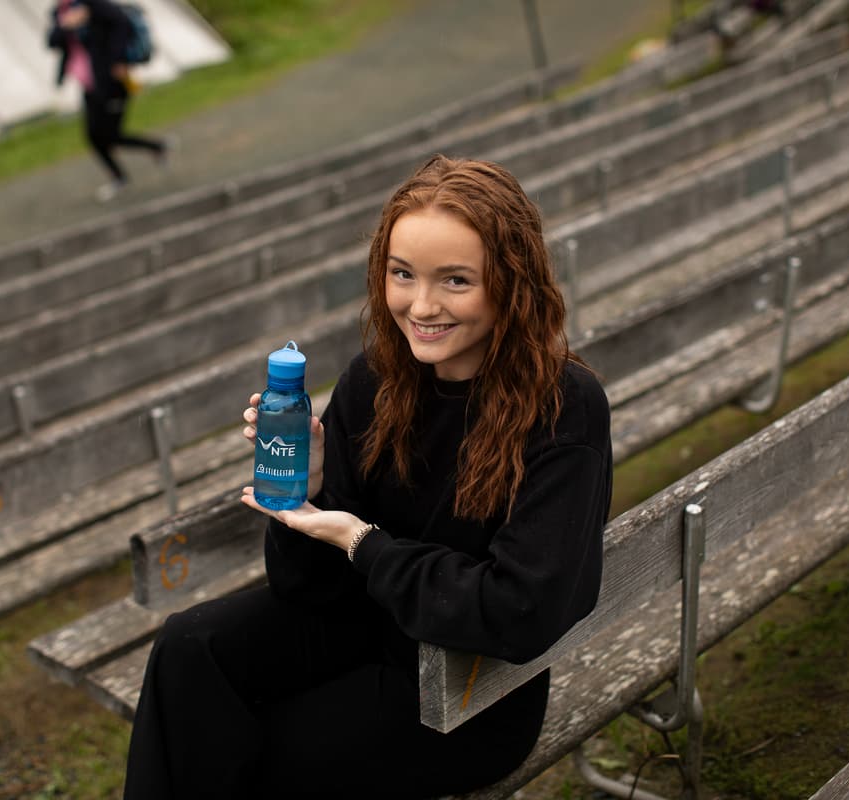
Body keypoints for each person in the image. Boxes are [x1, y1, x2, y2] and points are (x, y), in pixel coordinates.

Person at [122, 156, 613, 799]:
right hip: (363, 630)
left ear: (511, 283)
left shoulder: (562, 408)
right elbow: (307, 590)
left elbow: (517, 611)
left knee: (252, 745)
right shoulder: (377, 377)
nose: (422, 305)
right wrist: (315, 491)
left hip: (464, 690)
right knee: (191, 649)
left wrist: (363, 542)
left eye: (456, 281)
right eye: (402, 274)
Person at [48, 0, 167, 202]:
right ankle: (124, 173)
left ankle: (157, 147)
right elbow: (52, 42)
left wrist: (117, 60)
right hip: (89, 85)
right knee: (94, 136)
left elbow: (122, 25)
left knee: (111, 134)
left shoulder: (93, 5)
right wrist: (66, 25)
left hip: (111, 82)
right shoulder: (59, 12)